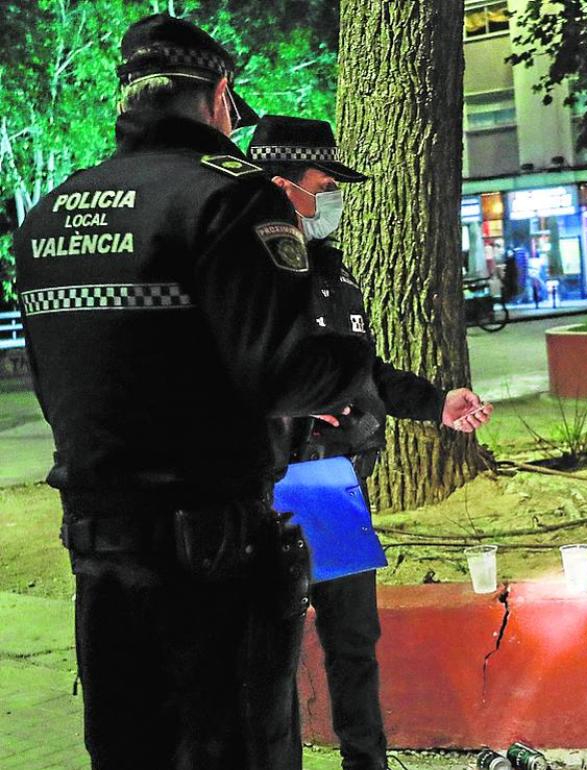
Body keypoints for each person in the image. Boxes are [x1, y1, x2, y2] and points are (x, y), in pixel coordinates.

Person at [12, 15, 379, 770]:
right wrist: (351, 362)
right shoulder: (229, 199)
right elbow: (281, 372)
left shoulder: (49, 215)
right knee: (239, 745)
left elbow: (60, 391)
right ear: (218, 96)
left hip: (101, 560)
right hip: (216, 561)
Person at [248, 115, 494, 770]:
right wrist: (299, 412)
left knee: (353, 642)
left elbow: (361, 372)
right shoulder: (243, 270)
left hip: (331, 487)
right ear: (283, 184)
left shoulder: (329, 266)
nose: (332, 197)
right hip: (269, 487)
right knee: (269, 652)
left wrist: (437, 403)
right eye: (323, 184)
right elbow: (234, 375)